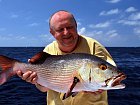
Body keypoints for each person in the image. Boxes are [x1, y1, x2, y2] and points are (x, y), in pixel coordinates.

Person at [17, 10, 116, 105]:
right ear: (52, 32)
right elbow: (44, 89)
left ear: (76, 26)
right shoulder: (48, 50)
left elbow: (109, 74)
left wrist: (99, 88)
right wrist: (35, 81)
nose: (66, 32)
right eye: (60, 29)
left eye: (70, 27)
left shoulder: (94, 46)